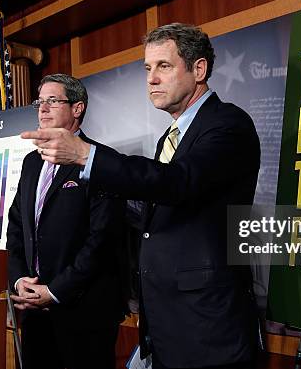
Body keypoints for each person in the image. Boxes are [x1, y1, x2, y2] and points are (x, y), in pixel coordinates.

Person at [22, 24, 261, 369]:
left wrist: (87, 156)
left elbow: (178, 182)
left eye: (163, 66)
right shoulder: (170, 136)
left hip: (208, 328)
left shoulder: (228, 124)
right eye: (147, 68)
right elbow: (150, 211)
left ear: (199, 70)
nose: (151, 79)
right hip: (165, 327)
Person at [7, 73, 126, 369]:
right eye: (39, 102)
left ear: (77, 109)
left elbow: (102, 239)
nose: (42, 109)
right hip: (35, 312)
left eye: (52, 101)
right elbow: (16, 227)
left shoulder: (100, 160)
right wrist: (21, 280)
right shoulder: (31, 162)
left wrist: (56, 291)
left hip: (84, 315)